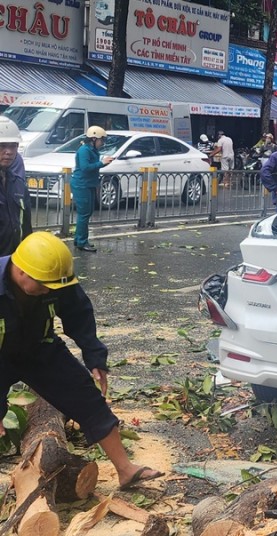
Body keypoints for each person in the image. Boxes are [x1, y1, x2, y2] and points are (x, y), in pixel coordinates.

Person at [0, 232, 165, 489]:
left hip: (40, 348)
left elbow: (78, 313)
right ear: (21, 271)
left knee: (88, 398)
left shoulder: (54, 277)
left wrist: (94, 355)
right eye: (43, 286)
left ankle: (126, 470)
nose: (48, 291)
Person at [72, 126, 113, 253]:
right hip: (81, 184)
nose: (102, 143)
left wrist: (103, 163)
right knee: (84, 214)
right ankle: (82, 242)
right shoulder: (84, 150)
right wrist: (102, 163)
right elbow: (85, 167)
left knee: (87, 213)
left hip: (88, 184)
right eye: (101, 140)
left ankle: (78, 239)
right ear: (94, 139)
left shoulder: (92, 150)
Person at [0, 117, 32, 256]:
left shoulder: (18, 184)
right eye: (2, 145)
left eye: (13, 145)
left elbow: (26, 226)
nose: (8, 151)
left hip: (13, 260)